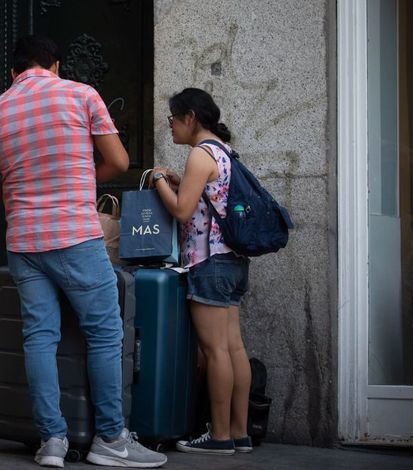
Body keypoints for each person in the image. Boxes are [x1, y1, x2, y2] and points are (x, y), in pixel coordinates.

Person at [0, 34, 166, 468]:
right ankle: (111, 440)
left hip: (23, 243)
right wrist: (74, 180)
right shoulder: (81, 95)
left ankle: (52, 442)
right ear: (55, 65)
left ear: (13, 73)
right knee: (106, 333)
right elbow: (118, 161)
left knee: (39, 338)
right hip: (75, 236)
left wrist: (22, 189)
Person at [150, 87, 252, 455]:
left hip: (208, 262)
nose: (171, 127)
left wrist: (160, 180)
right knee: (234, 347)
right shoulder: (225, 152)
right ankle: (240, 433)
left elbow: (180, 210)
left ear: (190, 118)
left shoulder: (199, 154)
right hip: (233, 262)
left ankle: (220, 436)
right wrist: (180, 184)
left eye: (172, 120)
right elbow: (206, 199)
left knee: (215, 351)